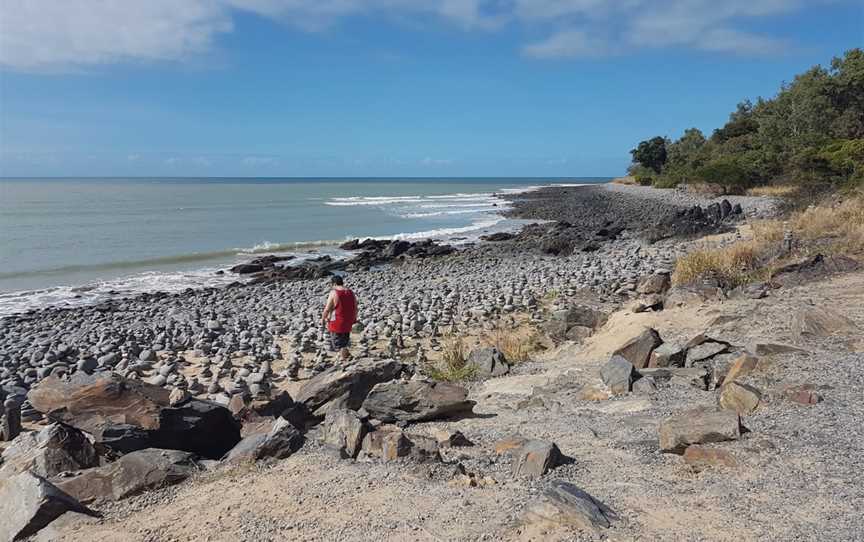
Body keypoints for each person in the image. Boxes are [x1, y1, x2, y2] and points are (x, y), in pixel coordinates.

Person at [321, 275, 357, 362]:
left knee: (337, 344)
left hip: (337, 322)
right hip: (349, 320)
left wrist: (322, 319)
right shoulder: (351, 292)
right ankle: (346, 357)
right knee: (344, 342)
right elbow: (355, 307)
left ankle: (344, 360)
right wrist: (354, 319)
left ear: (334, 283)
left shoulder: (334, 292)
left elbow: (327, 309)